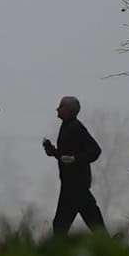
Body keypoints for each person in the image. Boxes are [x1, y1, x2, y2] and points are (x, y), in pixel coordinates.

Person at [42, 96, 106, 235]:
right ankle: (109, 247)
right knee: (92, 220)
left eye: (61, 106)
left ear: (70, 111)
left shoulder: (76, 127)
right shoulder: (66, 126)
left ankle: (58, 253)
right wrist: (53, 151)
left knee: (61, 225)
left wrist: (75, 159)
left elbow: (95, 151)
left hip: (76, 186)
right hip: (71, 185)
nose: (57, 109)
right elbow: (66, 156)